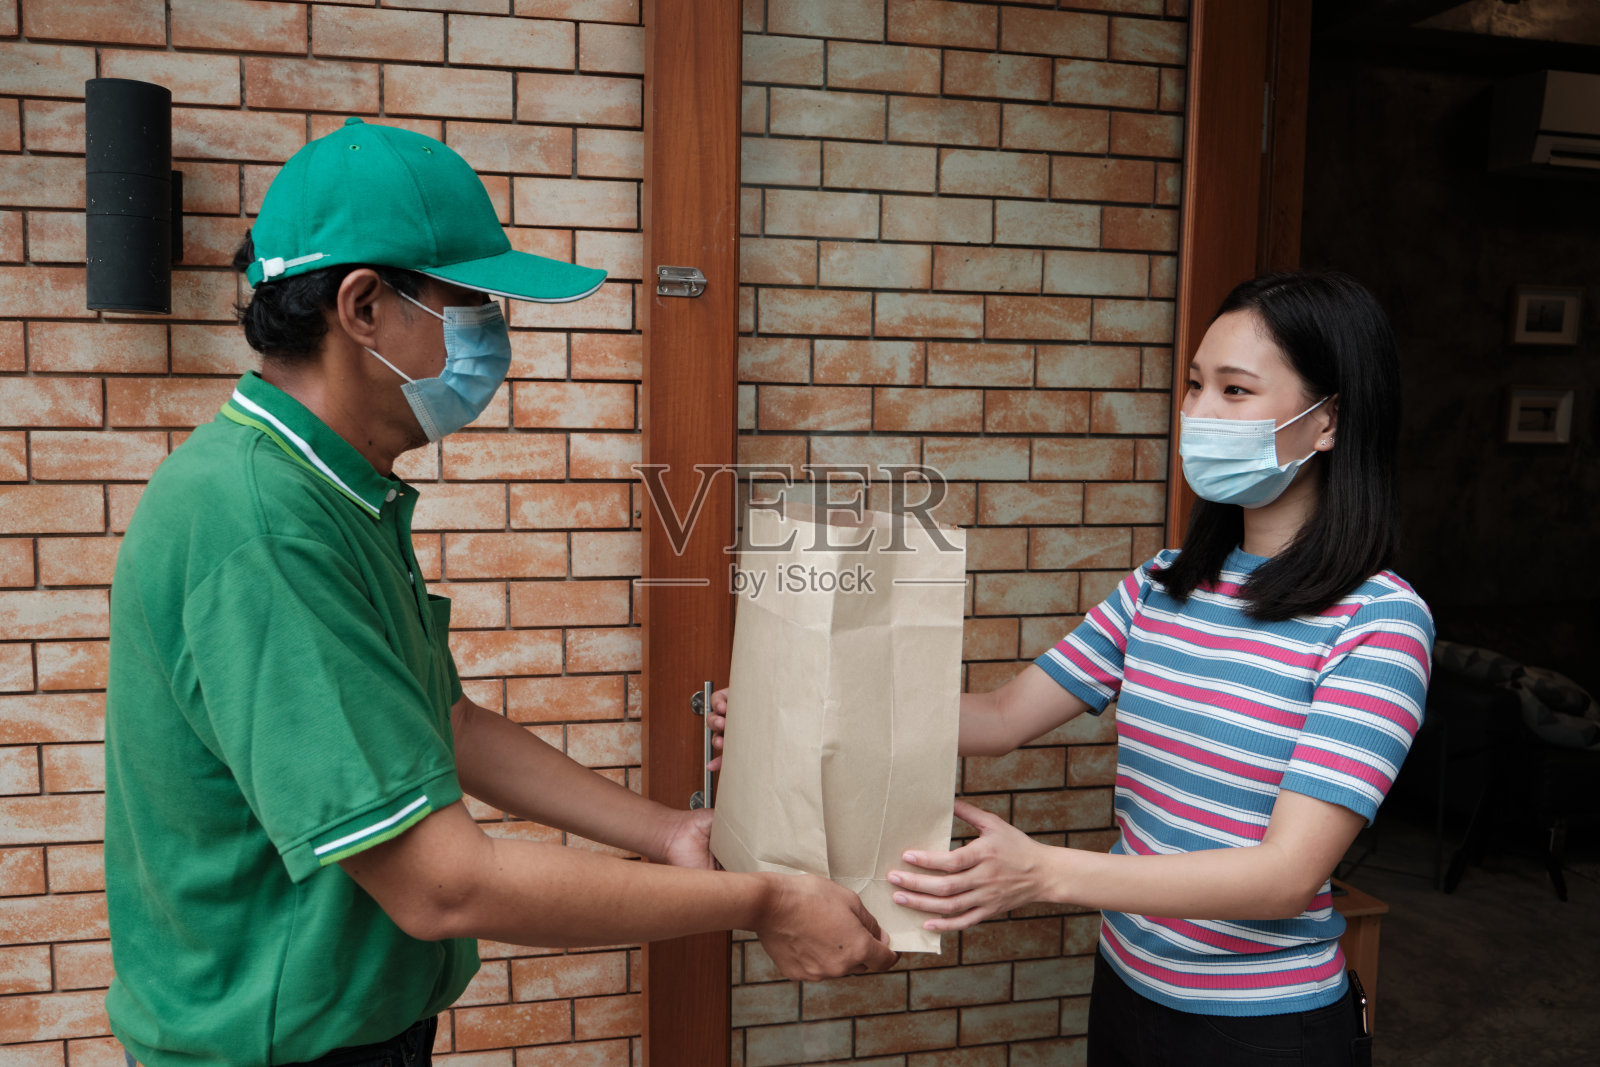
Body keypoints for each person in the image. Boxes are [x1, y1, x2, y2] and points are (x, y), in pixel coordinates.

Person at [103, 119, 894, 1067]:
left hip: (352, 1030)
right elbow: (443, 883)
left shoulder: (333, 490)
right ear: (363, 306)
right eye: (469, 301)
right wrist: (765, 899)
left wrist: (669, 832)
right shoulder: (261, 526)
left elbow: (449, 726)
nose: (492, 332)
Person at [710, 271, 1432, 1066]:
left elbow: (1286, 876)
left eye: (1235, 390)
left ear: (1327, 419)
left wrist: (1043, 872)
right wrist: (806, 710)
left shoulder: (1379, 622)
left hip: (1264, 1028)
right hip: (1125, 988)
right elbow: (1001, 718)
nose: (1199, 413)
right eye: (1195, 385)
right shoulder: (1162, 585)